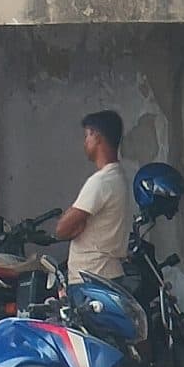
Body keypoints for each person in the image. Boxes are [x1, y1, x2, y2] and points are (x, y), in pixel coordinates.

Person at [55, 109, 135, 282]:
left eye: (87, 136)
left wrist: (75, 223)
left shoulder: (101, 181)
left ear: (97, 136)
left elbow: (62, 229)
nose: (85, 143)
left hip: (92, 277)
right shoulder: (118, 177)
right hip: (108, 274)